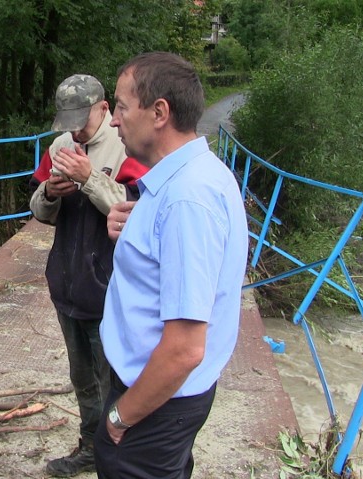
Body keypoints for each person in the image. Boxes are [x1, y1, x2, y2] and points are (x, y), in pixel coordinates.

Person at [95, 52, 249, 478]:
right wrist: (136, 226)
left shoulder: (187, 199)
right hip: (162, 398)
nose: (114, 120)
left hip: (154, 401)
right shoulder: (191, 176)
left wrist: (120, 417)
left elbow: (184, 349)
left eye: (122, 107)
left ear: (159, 112)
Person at [29, 74, 148, 477]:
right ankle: (89, 446)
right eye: (67, 119)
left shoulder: (127, 146)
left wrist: (89, 178)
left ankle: (118, 454)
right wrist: (49, 193)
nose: (73, 128)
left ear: (103, 108)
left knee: (115, 378)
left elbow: (135, 215)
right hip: (67, 282)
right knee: (81, 377)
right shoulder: (60, 146)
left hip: (110, 289)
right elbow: (38, 211)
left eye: (81, 117)